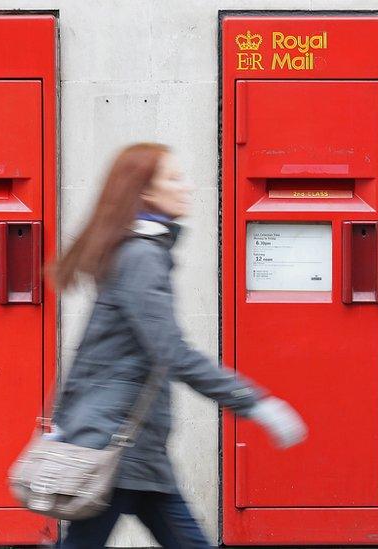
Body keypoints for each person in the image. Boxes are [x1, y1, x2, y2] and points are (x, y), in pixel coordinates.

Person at [48, 143, 307, 548]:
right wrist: (255, 403)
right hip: (118, 448)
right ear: (146, 193)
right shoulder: (141, 257)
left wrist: (65, 419)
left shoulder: (135, 252)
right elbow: (174, 353)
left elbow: (93, 352)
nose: (187, 186)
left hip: (133, 449)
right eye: (174, 178)